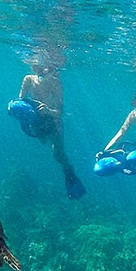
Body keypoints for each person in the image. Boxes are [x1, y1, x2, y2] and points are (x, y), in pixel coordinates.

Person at [13, 62, 86, 199]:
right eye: (35, 66)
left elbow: (60, 112)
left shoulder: (56, 83)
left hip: (53, 121)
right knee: (42, 141)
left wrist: (48, 111)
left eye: (41, 66)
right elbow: (20, 100)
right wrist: (14, 109)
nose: (37, 69)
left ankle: (70, 175)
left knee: (58, 154)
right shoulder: (28, 79)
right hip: (36, 120)